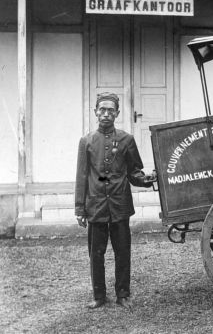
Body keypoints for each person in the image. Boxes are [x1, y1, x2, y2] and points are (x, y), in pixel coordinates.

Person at [75, 92, 156, 310]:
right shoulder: (86, 142)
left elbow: (134, 172)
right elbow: (82, 177)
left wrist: (148, 180)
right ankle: (99, 296)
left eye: (111, 110)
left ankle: (123, 295)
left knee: (123, 252)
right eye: (102, 109)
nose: (106, 114)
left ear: (117, 114)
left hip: (120, 206)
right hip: (96, 206)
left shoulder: (127, 140)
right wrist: (79, 209)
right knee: (96, 254)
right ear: (95, 112)